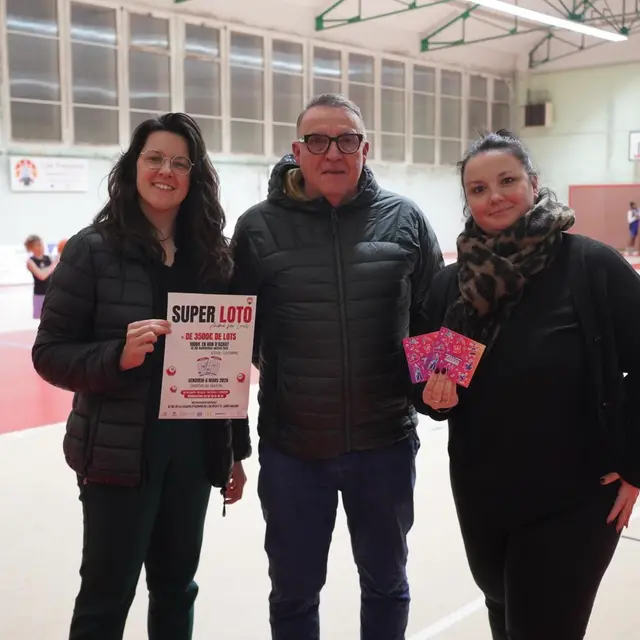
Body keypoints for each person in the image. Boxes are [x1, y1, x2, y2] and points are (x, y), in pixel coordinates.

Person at [230, 93, 444, 640]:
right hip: (293, 450)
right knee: (294, 593)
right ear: (297, 150)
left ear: (365, 149)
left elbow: (434, 315)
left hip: (386, 445)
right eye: (318, 140)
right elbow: (233, 338)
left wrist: (435, 394)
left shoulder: (405, 219)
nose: (333, 152)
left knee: (387, 585)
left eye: (347, 140)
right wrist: (229, 442)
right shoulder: (256, 228)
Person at [32, 113, 250, 640]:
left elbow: (228, 363)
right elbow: (50, 353)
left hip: (192, 452)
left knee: (177, 590)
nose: (165, 171)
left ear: (195, 176)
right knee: (105, 599)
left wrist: (233, 452)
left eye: (180, 162)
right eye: (154, 158)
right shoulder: (92, 249)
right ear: (133, 166)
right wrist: (118, 356)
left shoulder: (213, 256)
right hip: (119, 454)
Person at [415, 129, 640, 640]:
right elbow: (427, 385)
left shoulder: (588, 265)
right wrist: (432, 396)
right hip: (484, 496)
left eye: (507, 181)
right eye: (478, 189)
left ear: (533, 184)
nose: (494, 196)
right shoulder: (453, 285)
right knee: (506, 617)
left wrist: (635, 464)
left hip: (575, 497)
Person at [24, 234, 56, 319]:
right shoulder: (30, 262)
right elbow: (41, 276)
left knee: (54, 319)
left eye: (41, 244)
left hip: (52, 294)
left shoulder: (48, 258)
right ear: (31, 248)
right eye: (38, 245)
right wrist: (54, 265)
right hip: (40, 295)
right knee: (43, 320)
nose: (41, 247)